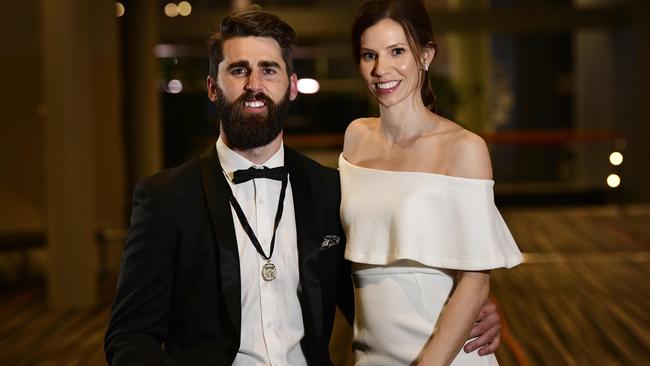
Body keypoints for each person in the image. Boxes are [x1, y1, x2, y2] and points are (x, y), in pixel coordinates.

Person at [105, 9, 503, 366]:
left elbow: (370, 281)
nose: (254, 84)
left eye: (269, 69)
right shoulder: (166, 199)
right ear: (213, 87)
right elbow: (128, 338)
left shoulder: (330, 189)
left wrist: (467, 306)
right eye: (239, 70)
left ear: (292, 85)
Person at [340, 1, 523, 365]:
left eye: (397, 51)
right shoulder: (355, 137)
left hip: (443, 356)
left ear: (426, 55)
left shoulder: (465, 149)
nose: (381, 69)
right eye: (369, 55)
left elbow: (475, 281)